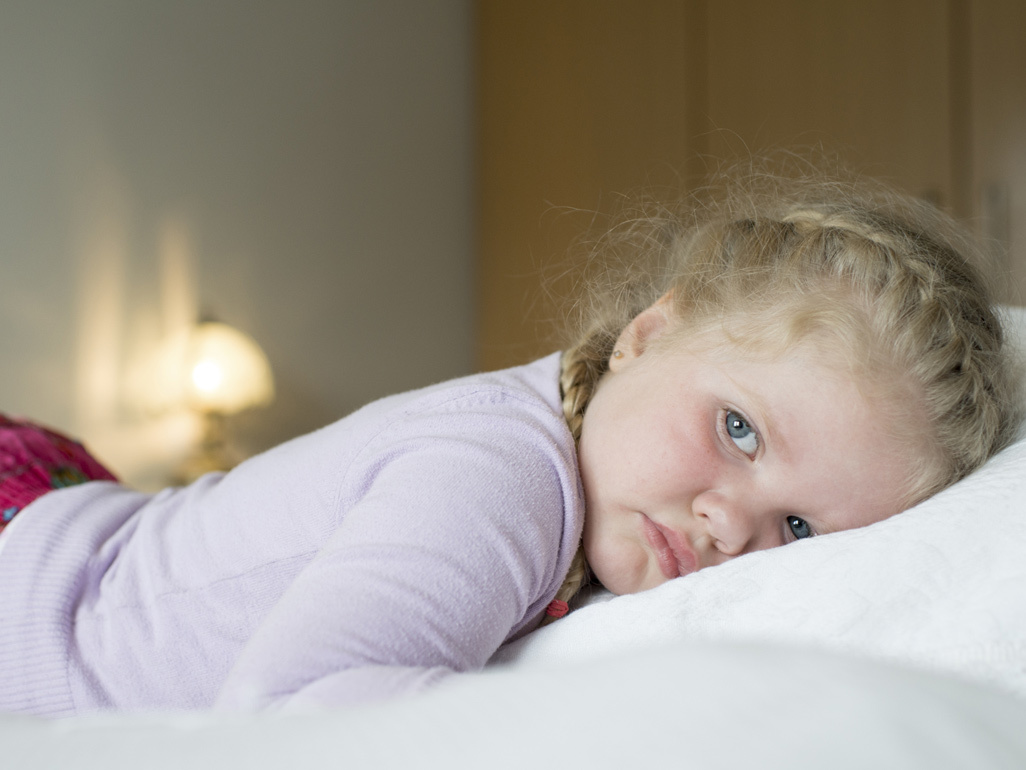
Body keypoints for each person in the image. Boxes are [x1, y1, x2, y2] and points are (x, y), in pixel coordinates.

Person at [0, 162, 1020, 718]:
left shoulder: (596, 469)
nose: (726, 521)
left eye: (798, 524)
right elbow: (296, 709)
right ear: (647, 335)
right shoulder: (499, 477)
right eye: (738, 427)